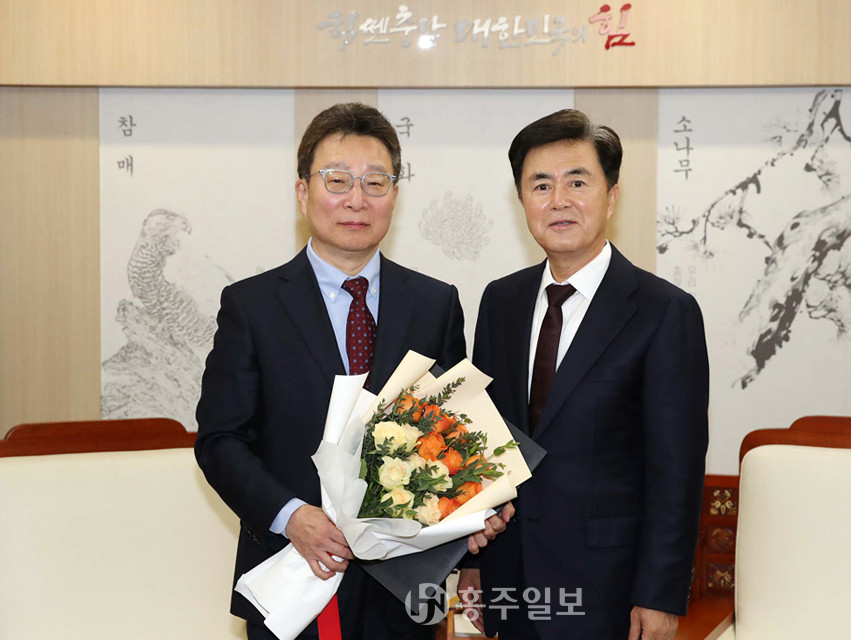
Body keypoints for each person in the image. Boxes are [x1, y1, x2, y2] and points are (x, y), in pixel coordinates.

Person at [196, 103, 504, 640]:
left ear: (395, 196)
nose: (357, 199)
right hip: (294, 573)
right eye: (337, 180)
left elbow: (455, 433)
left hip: (405, 588)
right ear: (302, 192)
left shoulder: (435, 304)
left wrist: (479, 509)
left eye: (375, 182)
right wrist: (292, 516)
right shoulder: (252, 306)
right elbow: (220, 441)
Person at [458, 109, 709, 640]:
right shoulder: (500, 301)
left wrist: (659, 595)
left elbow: (676, 472)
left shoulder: (664, 312)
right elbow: (482, 442)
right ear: (522, 200)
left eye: (577, 182)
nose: (559, 200)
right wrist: (473, 564)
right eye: (541, 185)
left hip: (609, 590)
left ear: (611, 196)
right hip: (512, 577)